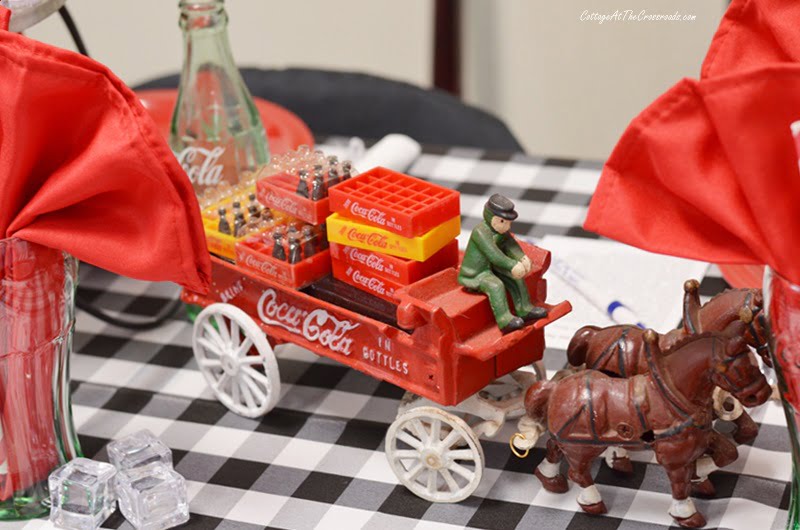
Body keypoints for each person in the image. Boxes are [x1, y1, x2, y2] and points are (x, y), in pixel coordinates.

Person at [458, 194, 548, 332]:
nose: (507, 226)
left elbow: (511, 246)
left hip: (493, 268)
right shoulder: (480, 232)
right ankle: (504, 320)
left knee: (516, 278)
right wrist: (512, 265)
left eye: (509, 223)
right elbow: (494, 254)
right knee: (495, 285)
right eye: (502, 222)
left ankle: (524, 309)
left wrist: (522, 258)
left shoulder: (501, 230)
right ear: (490, 217)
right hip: (476, 273)